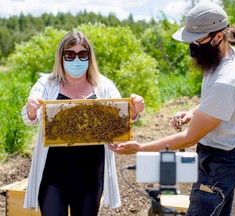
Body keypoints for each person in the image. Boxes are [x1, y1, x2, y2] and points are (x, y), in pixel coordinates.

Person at [109, 2, 235, 216]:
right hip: (222, 157)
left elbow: (188, 138)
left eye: (198, 39)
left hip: (221, 164)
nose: (193, 45)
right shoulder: (226, 55)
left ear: (218, 36)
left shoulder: (227, 80)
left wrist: (138, 148)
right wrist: (193, 112)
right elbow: (215, 102)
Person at [22, 31, 145, 216]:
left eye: (82, 54)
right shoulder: (46, 84)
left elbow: (122, 117)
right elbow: (31, 117)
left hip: (91, 175)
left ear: (90, 56)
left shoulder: (104, 85)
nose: (76, 59)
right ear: (61, 57)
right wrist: (31, 110)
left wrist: (134, 109)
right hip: (53, 174)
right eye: (70, 54)